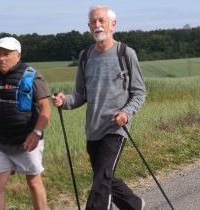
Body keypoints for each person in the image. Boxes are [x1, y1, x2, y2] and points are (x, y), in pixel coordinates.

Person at [51, 5, 146, 210]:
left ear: (113, 24)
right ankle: (133, 204)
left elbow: (139, 92)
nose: (97, 25)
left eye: (101, 20)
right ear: (88, 27)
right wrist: (63, 100)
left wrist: (126, 114)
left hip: (116, 128)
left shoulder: (125, 53)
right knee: (103, 177)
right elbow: (80, 94)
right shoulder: (85, 56)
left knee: (101, 181)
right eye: (93, 22)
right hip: (93, 130)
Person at [0, 37, 51, 209]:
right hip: (1, 141)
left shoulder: (32, 76)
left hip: (27, 141)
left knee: (33, 182)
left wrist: (36, 133)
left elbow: (45, 109)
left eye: (6, 54)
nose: (1, 58)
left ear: (18, 55)